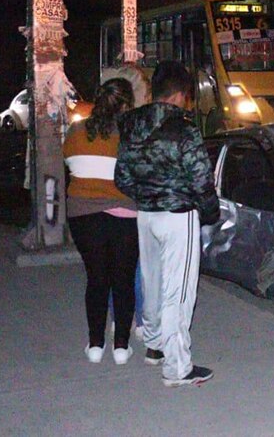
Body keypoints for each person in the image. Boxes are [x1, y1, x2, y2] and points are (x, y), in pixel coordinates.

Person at [115, 61, 219, 388]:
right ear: (178, 95)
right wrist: (210, 211)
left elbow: (122, 177)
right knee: (178, 292)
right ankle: (178, 368)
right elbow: (201, 178)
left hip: (146, 215)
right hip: (179, 216)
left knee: (153, 283)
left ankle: (155, 348)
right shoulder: (184, 127)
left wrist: (146, 195)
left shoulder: (131, 124)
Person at [63, 77, 139, 365]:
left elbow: (70, 161)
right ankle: (121, 347)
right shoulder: (130, 134)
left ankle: (95, 345)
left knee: (96, 278)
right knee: (123, 279)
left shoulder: (76, 130)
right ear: (126, 105)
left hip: (83, 215)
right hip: (124, 214)